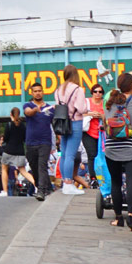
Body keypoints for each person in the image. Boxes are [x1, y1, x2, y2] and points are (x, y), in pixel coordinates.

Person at [102, 72, 132, 231]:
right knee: (131, 182)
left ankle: (118, 218)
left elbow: (105, 122)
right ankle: (131, 217)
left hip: (111, 148)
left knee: (116, 182)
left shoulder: (110, 101)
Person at [50, 66, 88, 196]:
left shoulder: (59, 90)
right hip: (75, 122)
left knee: (65, 154)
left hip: (63, 122)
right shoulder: (78, 89)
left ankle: (64, 182)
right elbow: (81, 108)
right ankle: (68, 184)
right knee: (71, 155)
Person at [23, 83, 56, 200]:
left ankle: (41, 191)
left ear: (43, 92)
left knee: (42, 165)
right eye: (35, 91)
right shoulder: (28, 105)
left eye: (39, 91)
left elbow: (56, 123)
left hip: (45, 142)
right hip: (31, 142)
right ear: (32, 93)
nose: (38, 93)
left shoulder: (50, 109)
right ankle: (46, 187)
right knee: (34, 167)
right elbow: (27, 112)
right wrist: (35, 110)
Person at [0, 108, 28, 196]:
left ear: (11, 114)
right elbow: (24, 139)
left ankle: (5, 191)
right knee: (23, 171)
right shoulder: (23, 126)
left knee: (4, 169)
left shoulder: (9, 125)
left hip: (9, 150)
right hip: (20, 151)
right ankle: (37, 186)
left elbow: (6, 138)